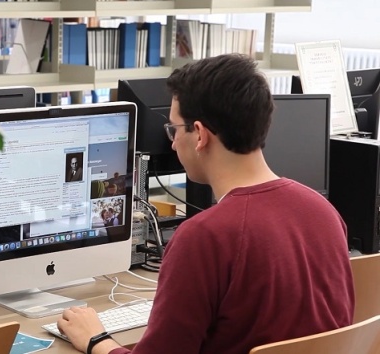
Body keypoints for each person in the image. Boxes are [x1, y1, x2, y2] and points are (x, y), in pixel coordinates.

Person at [56, 54, 354, 354]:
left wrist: (96, 340)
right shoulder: (323, 212)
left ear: (199, 134)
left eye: (174, 129)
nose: (172, 143)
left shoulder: (204, 238)